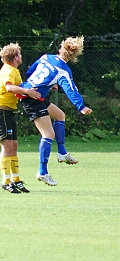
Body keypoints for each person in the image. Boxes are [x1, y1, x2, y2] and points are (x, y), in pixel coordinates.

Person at [18, 36, 93, 186]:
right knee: (48, 134)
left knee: (60, 115)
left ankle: (62, 153)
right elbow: (71, 90)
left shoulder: (46, 57)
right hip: (33, 99)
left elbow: (30, 72)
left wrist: (47, 84)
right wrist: (81, 106)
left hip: (31, 92)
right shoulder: (63, 70)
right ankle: (42, 172)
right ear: (75, 54)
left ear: (61, 47)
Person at [0, 43, 40, 194]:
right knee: (7, 146)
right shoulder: (9, 70)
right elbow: (9, 88)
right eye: (19, 55)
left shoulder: (14, 70)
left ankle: (16, 179)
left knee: (14, 145)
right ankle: (6, 181)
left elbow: (21, 87)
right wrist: (27, 91)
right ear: (15, 57)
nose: (21, 57)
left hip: (8, 111)